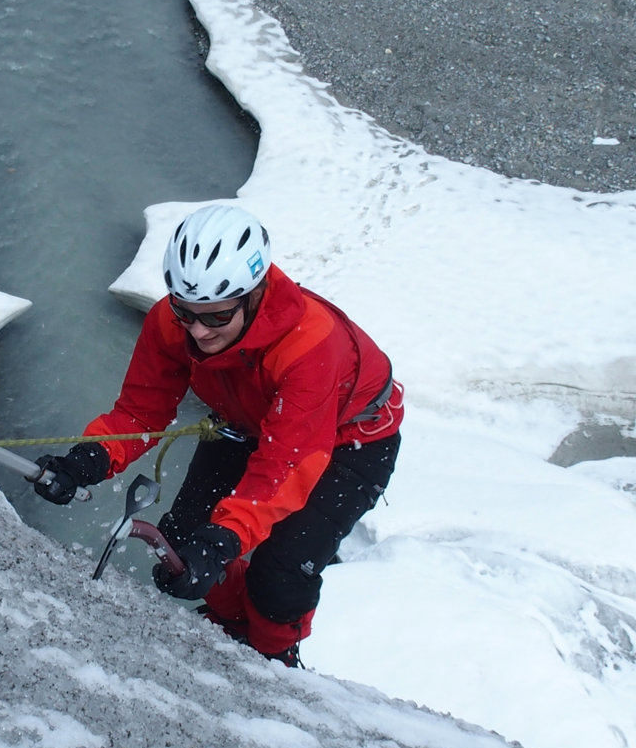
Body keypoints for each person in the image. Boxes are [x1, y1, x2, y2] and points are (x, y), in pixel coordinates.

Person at [33, 204, 402, 666]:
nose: (198, 332)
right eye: (185, 313)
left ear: (254, 295)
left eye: (216, 318)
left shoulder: (310, 346)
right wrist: (86, 461)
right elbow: (141, 412)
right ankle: (232, 621)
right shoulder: (173, 323)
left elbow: (285, 466)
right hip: (247, 418)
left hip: (351, 438)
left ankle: (273, 658)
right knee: (182, 540)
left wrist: (223, 540)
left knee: (279, 573)